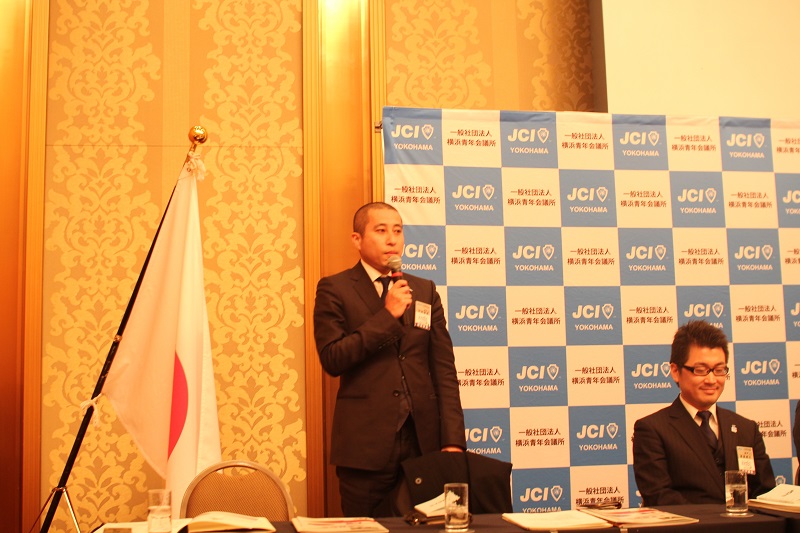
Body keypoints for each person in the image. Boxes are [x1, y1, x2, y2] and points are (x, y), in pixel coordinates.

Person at [313, 202, 466, 517]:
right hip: (365, 450)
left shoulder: (423, 290)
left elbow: (444, 371)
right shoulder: (335, 288)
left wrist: (452, 440)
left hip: (422, 445)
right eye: (381, 231)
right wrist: (387, 315)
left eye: (398, 231)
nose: (392, 239)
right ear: (357, 239)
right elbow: (332, 358)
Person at [632, 320, 775, 506]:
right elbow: (660, 497)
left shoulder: (747, 428)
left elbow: (765, 495)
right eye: (700, 370)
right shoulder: (652, 430)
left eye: (719, 370)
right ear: (675, 371)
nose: (711, 380)